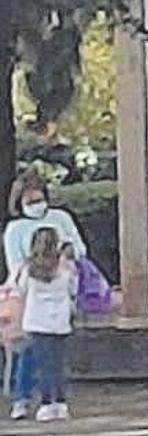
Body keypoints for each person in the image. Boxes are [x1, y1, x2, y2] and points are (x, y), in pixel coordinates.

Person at [4, 172, 86, 420]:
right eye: (29, 201)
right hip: (33, 303)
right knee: (27, 353)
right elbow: (14, 264)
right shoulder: (15, 229)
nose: (36, 205)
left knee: (43, 356)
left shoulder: (61, 219)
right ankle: (24, 397)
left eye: (39, 199)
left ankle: (46, 400)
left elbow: (79, 250)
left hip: (39, 307)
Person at [13, 228, 78, 422]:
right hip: (59, 320)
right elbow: (73, 289)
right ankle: (61, 403)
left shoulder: (28, 268)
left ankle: (46, 404)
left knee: (42, 365)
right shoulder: (65, 267)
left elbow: (21, 290)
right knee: (58, 364)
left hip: (36, 321)